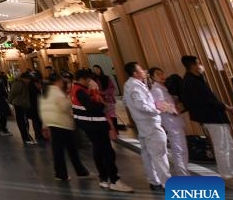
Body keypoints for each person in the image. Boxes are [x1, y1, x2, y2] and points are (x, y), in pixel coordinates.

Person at [180, 55, 233, 182]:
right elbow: (205, 100)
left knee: (229, 145)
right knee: (222, 146)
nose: (200, 65)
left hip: (217, 116)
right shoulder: (190, 81)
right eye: (198, 63)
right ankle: (227, 174)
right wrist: (225, 106)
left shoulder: (197, 79)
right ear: (192, 65)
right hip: (211, 118)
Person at [72, 68, 132, 192]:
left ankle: (104, 178)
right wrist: (102, 104)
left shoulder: (76, 89)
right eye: (88, 79)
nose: (89, 82)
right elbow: (92, 107)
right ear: (83, 79)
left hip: (88, 124)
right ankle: (114, 180)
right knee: (107, 152)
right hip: (95, 124)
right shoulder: (80, 91)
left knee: (98, 150)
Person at [124, 62, 170, 191]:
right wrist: (157, 109)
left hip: (142, 124)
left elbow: (126, 102)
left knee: (147, 154)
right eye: (141, 69)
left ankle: (154, 181)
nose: (144, 71)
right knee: (159, 154)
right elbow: (141, 105)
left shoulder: (128, 84)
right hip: (150, 124)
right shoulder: (135, 86)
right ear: (135, 73)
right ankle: (166, 183)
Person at [40, 74, 90, 181]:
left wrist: (45, 125)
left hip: (52, 124)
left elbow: (43, 110)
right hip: (62, 123)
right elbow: (65, 107)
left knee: (58, 150)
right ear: (57, 82)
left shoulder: (45, 92)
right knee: (72, 149)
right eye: (61, 81)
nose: (62, 83)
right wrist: (68, 100)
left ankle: (61, 173)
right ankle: (80, 171)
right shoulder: (57, 92)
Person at [149, 68, 190, 177]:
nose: (162, 75)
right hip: (170, 122)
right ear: (152, 77)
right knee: (179, 150)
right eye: (158, 74)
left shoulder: (164, 88)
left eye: (162, 73)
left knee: (182, 149)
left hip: (175, 121)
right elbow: (160, 105)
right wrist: (176, 110)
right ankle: (183, 176)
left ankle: (184, 173)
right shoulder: (156, 89)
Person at [8, 72, 36, 145]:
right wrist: (9, 100)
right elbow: (13, 93)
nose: (29, 81)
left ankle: (26, 137)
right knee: (23, 121)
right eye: (28, 79)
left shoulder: (22, 83)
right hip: (19, 104)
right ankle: (26, 138)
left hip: (22, 104)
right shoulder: (19, 83)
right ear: (24, 78)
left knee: (23, 121)